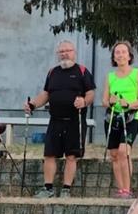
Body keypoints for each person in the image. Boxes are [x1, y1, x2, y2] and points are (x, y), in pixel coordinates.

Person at [24, 40, 96, 198]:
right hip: (55, 120)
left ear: (74, 52)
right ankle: (48, 188)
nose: (65, 54)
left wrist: (84, 101)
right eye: (61, 51)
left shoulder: (83, 71)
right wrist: (33, 104)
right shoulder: (52, 72)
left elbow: (91, 93)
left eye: (68, 51)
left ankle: (66, 189)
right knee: (49, 154)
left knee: (71, 156)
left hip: (75, 121)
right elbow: (46, 94)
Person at [102, 40, 138, 198]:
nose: (120, 55)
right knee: (114, 154)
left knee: (124, 152)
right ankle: (121, 189)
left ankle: (127, 189)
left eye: (123, 52)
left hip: (130, 117)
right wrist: (110, 102)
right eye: (117, 52)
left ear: (129, 56)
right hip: (112, 118)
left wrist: (128, 104)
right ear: (114, 57)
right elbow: (104, 101)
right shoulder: (110, 76)